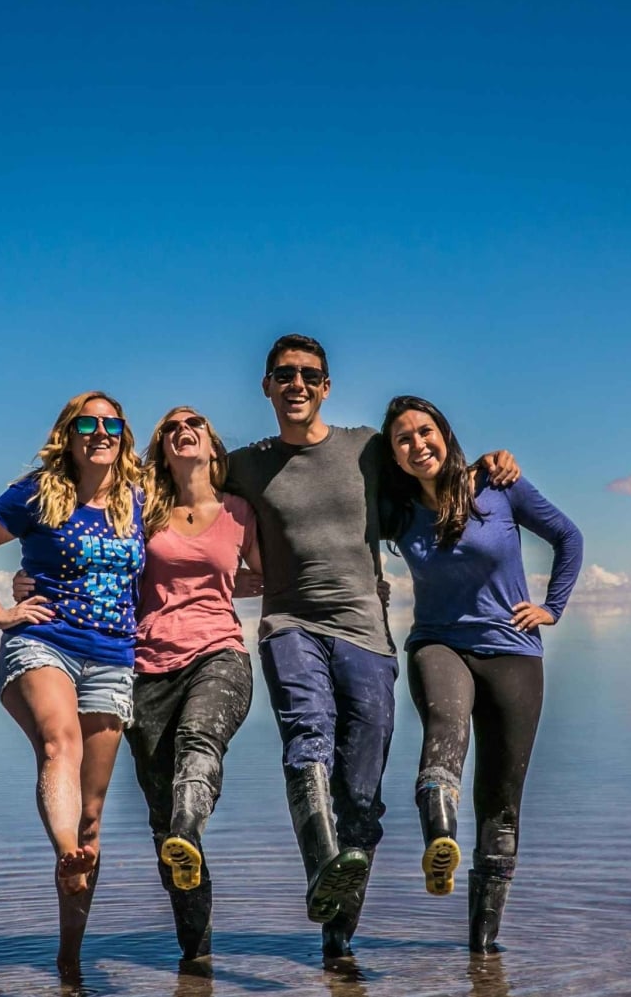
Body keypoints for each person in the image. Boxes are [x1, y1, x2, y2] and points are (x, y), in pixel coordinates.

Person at [223, 335, 519, 961]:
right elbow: (178, 494)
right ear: (267, 386)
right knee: (309, 736)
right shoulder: (245, 464)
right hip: (289, 624)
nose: (297, 384)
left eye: (310, 375)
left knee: (362, 793)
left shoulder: (366, 449)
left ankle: (337, 940)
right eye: (284, 374)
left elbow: (430, 464)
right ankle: (319, 869)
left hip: (368, 636)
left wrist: (490, 464)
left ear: (325, 387)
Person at [0, 391, 146, 979]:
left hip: (112, 656)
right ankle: (64, 851)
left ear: (124, 436)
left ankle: (69, 961)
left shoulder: (140, 500)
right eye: (89, 423)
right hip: (46, 642)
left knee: (93, 815)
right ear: (69, 433)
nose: (102, 431)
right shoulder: (38, 493)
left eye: (113, 424)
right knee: (60, 742)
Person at [378, 394, 582, 954]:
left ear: (444, 434)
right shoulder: (395, 510)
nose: (417, 444)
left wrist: (552, 607)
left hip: (514, 651)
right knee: (446, 726)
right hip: (439, 644)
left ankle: (482, 952)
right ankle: (439, 842)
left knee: (501, 801)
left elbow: (569, 536)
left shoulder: (497, 484)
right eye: (403, 438)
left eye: (425, 432)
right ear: (392, 455)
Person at [128, 406, 262, 964]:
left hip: (219, 654)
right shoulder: (140, 509)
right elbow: (101, 565)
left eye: (195, 424)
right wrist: (35, 579)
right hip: (146, 667)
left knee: (199, 744)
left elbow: (274, 577)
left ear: (211, 445)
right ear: (161, 449)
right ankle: (196, 956)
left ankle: (189, 822)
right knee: (163, 823)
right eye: (171, 428)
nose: (183, 430)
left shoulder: (238, 511)